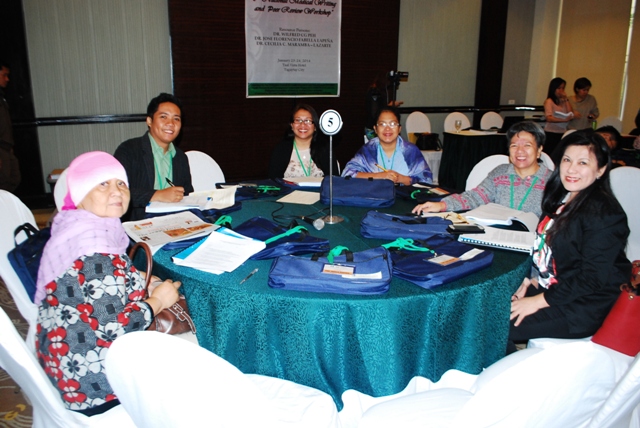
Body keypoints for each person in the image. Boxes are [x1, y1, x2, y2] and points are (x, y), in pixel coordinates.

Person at [35, 151, 182, 415]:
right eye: (102, 183)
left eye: (121, 183)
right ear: (80, 193)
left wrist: (137, 279)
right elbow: (114, 327)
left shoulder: (75, 226)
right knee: (188, 363)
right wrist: (158, 301)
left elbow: (91, 285)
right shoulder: (96, 251)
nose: (116, 191)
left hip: (61, 361)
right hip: (94, 385)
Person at [508, 130, 631, 354]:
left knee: (494, 326)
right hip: (558, 287)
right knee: (488, 307)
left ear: (601, 170)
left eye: (583, 162)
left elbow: (591, 279)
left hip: (583, 305)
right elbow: (552, 253)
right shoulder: (562, 197)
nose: (571, 169)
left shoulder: (604, 213)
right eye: (567, 160)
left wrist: (537, 301)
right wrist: (532, 280)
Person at [412, 121, 551, 217]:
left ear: (539, 150)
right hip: (498, 235)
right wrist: (442, 205)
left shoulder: (552, 181)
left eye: (527, 145)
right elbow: (475, 197)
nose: (520, 151)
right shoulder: (500, 173)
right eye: (514, 145)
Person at [114, 93, 193, 220]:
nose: (171, 123)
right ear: (149, 121)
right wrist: (157, 195)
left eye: (176, 119)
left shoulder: (180, 157)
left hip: (174, 221)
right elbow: (117, 191)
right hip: (139, 223)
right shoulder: (129, 150)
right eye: (163, 117)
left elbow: (187, 193)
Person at [342, 106, 432, 185]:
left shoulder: (410, 150)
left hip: (406, 197)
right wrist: (380, 176)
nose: (387, 129)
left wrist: (402, 179)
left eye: (393, 124)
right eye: (382, 124)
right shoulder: (368, 150)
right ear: (375, 129)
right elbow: (347, 174)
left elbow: (427, 180)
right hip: (375, 197)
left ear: (399, 128)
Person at [268, 103, 338, 179]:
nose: (303, 125)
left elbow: (335, 180)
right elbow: (273, 182)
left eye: (308, 121)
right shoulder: (280, 150)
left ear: (315, 126)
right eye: (298, 120)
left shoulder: (325, 149)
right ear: (291, 125)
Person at [0, 59, 21, 192]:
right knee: (3, 183)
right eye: (4, 75)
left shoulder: (1, 96)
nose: (7, 79)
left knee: (14, 178)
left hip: (6, 147)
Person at [543, 77, 575, 156]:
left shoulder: (563, 101)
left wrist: (566, 99)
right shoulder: (549, 101)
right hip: (551, 133)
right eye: (559, 88)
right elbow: (549, 117)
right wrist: (563, 120)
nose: (561, 91)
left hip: (562, 132)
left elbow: (570, 112)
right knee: (551, 154)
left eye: (563, 88)